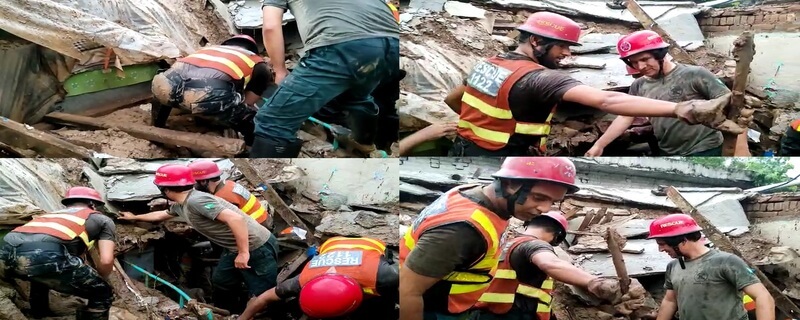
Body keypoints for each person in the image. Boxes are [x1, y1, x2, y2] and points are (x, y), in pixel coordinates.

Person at [443, 12, 751, 156]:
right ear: (536, 41)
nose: (566, 54)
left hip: (464, 148)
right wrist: (684, 109)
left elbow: (454, 99)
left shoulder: (490, 63)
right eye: (561, 47)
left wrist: (479, 125)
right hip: (502, 155)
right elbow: (608, 102)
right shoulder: (541, 77)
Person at [399, 157, 579, 320]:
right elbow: (408, 291)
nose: (546, 209)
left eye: (553, 202)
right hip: (432, 310)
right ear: (509, 184)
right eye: (539, 197)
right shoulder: (463, 229)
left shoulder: (475, 194)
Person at [117, 164, 279, 313]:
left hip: (256, 247)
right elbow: (161, 214)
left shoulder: (197, 200)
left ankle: (264, 314)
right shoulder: (183, 204)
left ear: (165, 189)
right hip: (235, 247)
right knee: (222, 281)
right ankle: (230, 312)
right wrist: (134, 217)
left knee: (262, 294)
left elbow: (236, 219)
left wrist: (243, 253)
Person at [253, 0, 400, 157]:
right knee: (356, 97)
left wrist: (280, 70)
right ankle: (364, 145)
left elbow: (270, 27)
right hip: (393, 46)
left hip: (343, 46)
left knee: (272, 122)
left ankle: (272, 171)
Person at [586, 30, 750, 157]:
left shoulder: (695, 75)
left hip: (706, 148)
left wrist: (741, 151)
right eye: (634, 62)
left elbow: (735, 110)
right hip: (669, 151)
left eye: (645, 59)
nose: (640, 66)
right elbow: (625, 116)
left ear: (660, 55)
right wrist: (599, 145)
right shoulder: (639, 85)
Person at [472, 211, 628, 320]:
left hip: (487, 312)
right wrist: (595, 282)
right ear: (557, 237)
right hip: (515, 314)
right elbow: (550, 263)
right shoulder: (534, 245)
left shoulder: (505, 244)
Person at [0, 187, 116, 320]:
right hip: (42, 255)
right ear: (92, 204)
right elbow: (106, 261)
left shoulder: (49, 215)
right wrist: (102, 280)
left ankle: (39, 314)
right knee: (102, 292)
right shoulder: (103, 220)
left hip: (4, 251)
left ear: (68, 203)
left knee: (39, 276)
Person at [150, 35, 272, 146]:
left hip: (164, 85)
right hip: (205, 94)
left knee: (167, 91)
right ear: (254, 51)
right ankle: (251, 145)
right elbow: (249, 101)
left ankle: (157, 125)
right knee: (250, 119)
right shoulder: (257, 62)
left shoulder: (208, 50)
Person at [648, 214, 774, 320]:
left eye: (662, 244)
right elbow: (670, 301)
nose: (660, 249)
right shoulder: (673, 266)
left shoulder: (726, 262)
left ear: (682, 240)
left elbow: (763, 297)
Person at [238, 236, 399, 320]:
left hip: (369, 245)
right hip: (332, 244)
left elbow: (414, 279)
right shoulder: (303, 280)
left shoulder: (386, 276)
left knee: (383, 307)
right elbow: (264, 298)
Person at [187, 160, 272, 228]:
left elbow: (226, 222)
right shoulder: (228, 183)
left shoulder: (222, 197)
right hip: (264, 219)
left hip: (258, 226)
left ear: (203, 181)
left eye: (194, 183)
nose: (193, 186)